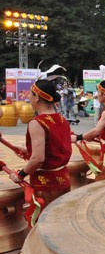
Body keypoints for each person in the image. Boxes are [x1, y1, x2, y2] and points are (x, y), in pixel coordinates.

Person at [9, 79, 72, 208]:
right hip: (63, 179)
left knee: (46, 223)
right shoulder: (61, 119)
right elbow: (56, 147)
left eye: (30, 94)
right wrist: (28, 150)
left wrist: (20, 175)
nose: (28, 97)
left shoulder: (37, 122)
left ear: (37, 97)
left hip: (46, 184)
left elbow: (38, 159)